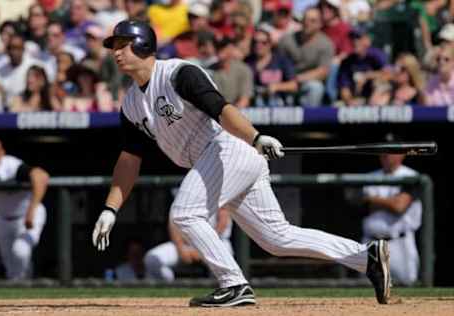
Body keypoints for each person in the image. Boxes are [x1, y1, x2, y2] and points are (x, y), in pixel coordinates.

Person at [91, 19, 391, 307]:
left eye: (123, 44)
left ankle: (233, 284)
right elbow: (129, 159)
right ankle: (366, 257)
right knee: (277, 238)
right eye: (113, 45)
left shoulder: (179, 73)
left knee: (185, 213)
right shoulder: (131, 103)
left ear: (143, 45)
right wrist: (110, 208)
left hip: (226, 147)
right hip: (218, 159)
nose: (116, 52)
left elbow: (222, 109)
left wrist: (255, 137)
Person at [0, 137, 49, 280]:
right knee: (10, 268)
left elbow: (41, 176)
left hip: (28, 214)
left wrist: (31, 210)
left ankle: (27, 288)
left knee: (21, 251)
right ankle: (19, 296)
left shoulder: (11, 165)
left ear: (1, 152)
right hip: (2, 218)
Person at [357, 134, 422, 285]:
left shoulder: (411, 176)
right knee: (365, 292)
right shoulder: (369, 177)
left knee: (409, 289)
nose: (386, 154)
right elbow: (358, 203)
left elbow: (399, 206)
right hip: (370, 242)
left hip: (399, 243)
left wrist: (373, 200)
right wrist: (389, 202)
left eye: (391, 150)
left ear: (402, 154)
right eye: (384, 150)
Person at [144, 207, 233, 282]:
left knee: (225, 262)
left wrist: (203, 249)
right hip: (185, 244)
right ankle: (169, 287)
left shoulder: (216, 190)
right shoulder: (185, 193)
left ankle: (222, 288)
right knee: (152, 259)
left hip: (216, 243)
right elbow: (173, 224)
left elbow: (222, 223)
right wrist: (180, 248)